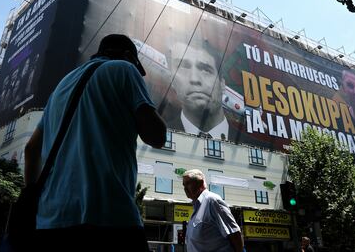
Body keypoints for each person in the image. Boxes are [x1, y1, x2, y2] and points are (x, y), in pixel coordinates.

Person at [24, 34, 167, 251]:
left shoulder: (61, 86)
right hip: (109, 215)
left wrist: (32, 193)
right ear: (128, 56)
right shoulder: (124, 69)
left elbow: (31, 148)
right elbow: (157, 137)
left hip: (50, 221)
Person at [168, 39, 232, 140]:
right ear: (172, 81)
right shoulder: (157, 136)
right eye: (184, 67)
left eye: (205, 70)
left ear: (222, 84)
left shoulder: (258, 145)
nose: (194, 79)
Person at [182, 169, 243, 252]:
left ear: (200, 183)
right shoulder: (197, 207)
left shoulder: (212, 201)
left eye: (188, 183)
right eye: (184, 185)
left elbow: (234, 233)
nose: (185, 188)